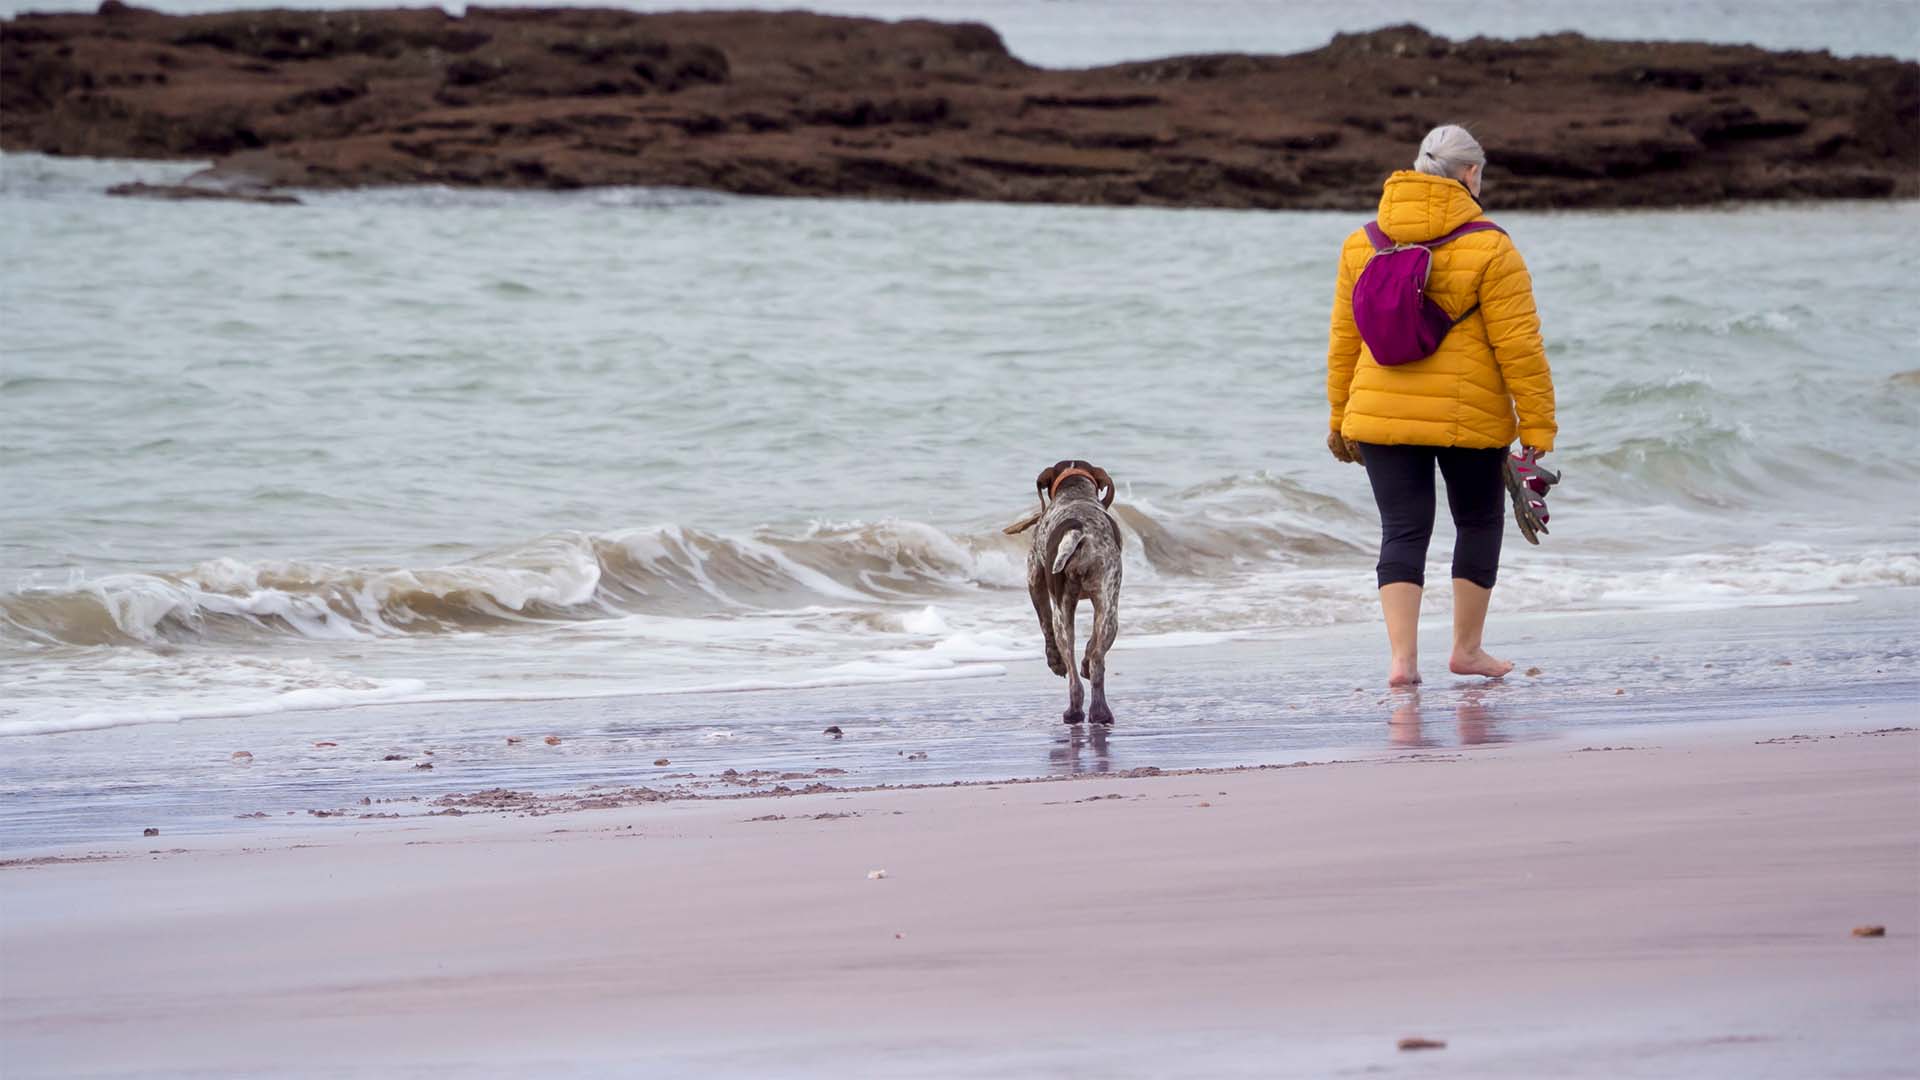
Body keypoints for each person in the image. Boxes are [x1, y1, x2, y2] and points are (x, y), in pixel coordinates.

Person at [1324, 124, 1557, 687]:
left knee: (1402, 529)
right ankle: (1467, 650)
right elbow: (1519, 345)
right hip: (1469, 419)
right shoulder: (1491, 245)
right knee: (1477, 521)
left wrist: (1338, 418)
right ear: (1470, 174)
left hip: (1380, 416)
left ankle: (1403, 662)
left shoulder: (1363, 242)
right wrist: (1538, 423)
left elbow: (1343, 342)